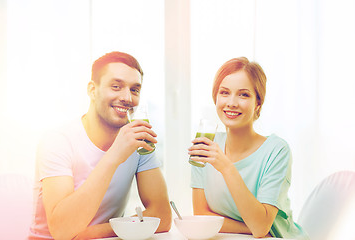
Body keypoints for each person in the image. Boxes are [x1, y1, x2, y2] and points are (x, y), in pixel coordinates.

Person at [28, 51, 172, 239]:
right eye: (116, 86)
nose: (127, 98)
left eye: (134, 90)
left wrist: (97, 232)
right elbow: (62, 231)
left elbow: (162, 216)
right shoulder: (58, 141)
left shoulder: (138, 141)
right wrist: (114, 155)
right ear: (92, 90)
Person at [189, 57, 309, 239]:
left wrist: (227, 167)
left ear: (258, 104)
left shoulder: (277, 151)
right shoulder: (205, 147)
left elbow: (260, 228)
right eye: (224, 93)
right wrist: (247, 227)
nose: (231, 102)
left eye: (243, 94)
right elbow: (201, 215)